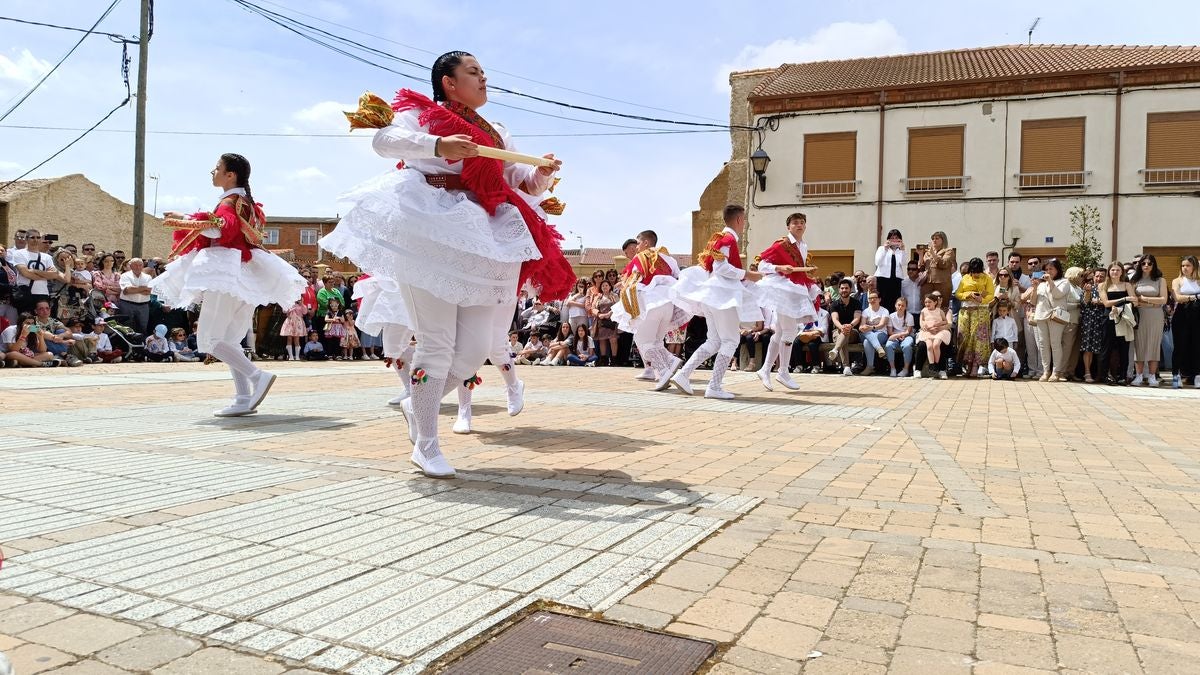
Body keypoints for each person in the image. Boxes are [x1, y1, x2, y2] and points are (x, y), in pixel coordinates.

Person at [320, 51, 570, 478]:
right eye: (474, 72)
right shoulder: (421, 114)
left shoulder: (497, 132)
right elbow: (383, 142)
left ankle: (415, 404)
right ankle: (427, 444)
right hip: (429, 224)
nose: (484, 78)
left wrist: (541, 174)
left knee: (472, 351)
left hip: (480, 230)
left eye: (484, 72)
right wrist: (437, 144)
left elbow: (516, 181)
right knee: (436, 344)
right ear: (449, 82)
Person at [153, 153, 305, 416]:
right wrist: (189, 217)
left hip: (225, 271)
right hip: (245, 273)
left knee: (209, 339)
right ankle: (243, 397)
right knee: (230, 340)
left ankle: (257, 376)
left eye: (217, 168)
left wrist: (185, 220)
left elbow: (221, 230)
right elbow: (225, 226)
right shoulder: (245, 202)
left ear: (230, 174)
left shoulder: (229, 201)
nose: (213, 172)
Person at [670, 204, 762, 398]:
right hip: (722, 296)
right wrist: (748, 274)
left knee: (714, 341)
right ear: (739, 220)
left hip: (713, 296)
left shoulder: (719, 239)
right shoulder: (727, 239)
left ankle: (683, 374)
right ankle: (714, 386)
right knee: (730, 340)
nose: (744, 223)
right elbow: (721, 268)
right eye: (743, 219)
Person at [754, 212, 820, 391]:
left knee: (781, 332)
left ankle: (766, 369)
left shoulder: (803, 246)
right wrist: (780, 267)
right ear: (789, 226)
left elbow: (799, 271)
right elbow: (761, 264)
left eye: (802, 223)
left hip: (794, 289)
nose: (799, 225)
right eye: (795, 223)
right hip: (783, 290)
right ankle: (782, 371)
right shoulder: (782, 244)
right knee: (790, 331)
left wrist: (808, 272)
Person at [612, 229, 682, 390]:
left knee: (644, 341)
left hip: (651, 303)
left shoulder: (642, 256)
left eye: (637, 243)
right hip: (668, 304)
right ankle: (665, 366)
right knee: (656, 341)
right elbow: (677, 277)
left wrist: (625, 291)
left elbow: (633, 281)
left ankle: (665, 369)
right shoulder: (669, 258)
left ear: (646, 243)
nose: (636, 247)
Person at [1026, 259, 1071, 382]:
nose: (1048, 271)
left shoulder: (1064, 282)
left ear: (1058, 270)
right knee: (1043, 344)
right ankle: (1046, 371)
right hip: (1041, 316)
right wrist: (1035, 287)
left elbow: (1057, 295)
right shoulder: (1041, 284)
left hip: (1055, 316)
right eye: (1046, 269)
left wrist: (1050, 281)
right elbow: (1034, 301)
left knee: (1055, 344)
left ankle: (1056, 371)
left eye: (1051, 269)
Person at [1131, 254, 1167, 386]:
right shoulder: (1134, 280)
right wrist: (1152, 302)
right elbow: (1134, 300)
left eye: (1149, 263)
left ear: (1154, 265)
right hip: (1139, 315)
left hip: (1155, 316)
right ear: (1139, 265)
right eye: (1143, 263)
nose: (1146, 266)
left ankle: (1152, 376)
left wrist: (1144, 299)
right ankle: (1139, 376)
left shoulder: (1160, 280)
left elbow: (1163, 299)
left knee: (1154, 344)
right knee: (1139, 345)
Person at [1099, 261, 1137, 385]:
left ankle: (1122, 376)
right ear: (1109, 272)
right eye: (1112, 270)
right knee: (1106, 348)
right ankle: (1104, 375)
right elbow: (1106, 303)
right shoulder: (1103, 285)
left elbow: (1134, 302)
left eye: (1118, 270)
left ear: (1122, 272)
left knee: (1123, 348)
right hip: (1108, 318)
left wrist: (1124, 303)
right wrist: (1124, 299)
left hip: (1123, 318)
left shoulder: (1127, 285)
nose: (1115, 272)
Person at [955, 257, 994, 378]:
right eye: (974, 271)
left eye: (978, 271)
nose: (976, 274)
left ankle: (976, 365)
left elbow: (991, 294)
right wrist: (969, 295)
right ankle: (967, 364)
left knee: (977, 338)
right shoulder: (965, 278)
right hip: (966, 312)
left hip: (980, 311)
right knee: (965, 337)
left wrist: (981, 299)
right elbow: (958, 294)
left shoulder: (987, 278)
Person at [1171, 256, 1200, 388]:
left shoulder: (1198, 281)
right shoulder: (1177, 281)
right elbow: (1177, 297)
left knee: (1196, 346)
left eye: (1188, 265)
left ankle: (1197, 375)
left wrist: (1189, 298)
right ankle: (1176, 375)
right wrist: (1195, 297)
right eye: (1183, 266)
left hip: (1197, 315)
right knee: (1179, 346)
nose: (1185, 268)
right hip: (1182, 314)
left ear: (1194, 266)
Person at [828, 278, 862, 375]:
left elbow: (857, 318)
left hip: (853, 331)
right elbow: (835, 319)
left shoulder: (856, 303)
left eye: (846, 288)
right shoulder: (834, 304)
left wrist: (850, 325)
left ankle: (836, 351)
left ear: (850, 289)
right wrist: (842, 327)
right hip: (838, 331)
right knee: (843, 335)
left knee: (845, 333)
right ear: (839, 290)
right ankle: (846, 368)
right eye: (842, 288)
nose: (844, 290)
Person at [1079, 268, 1107, 383]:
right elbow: (1084, 303)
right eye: (1097, 276)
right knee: (1088, 348)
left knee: (1104, 349)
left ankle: (1102, 374)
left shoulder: (1108, 289)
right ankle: (1087, 372)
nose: (1099, 278)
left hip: (1105, 320)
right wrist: (1088, 293)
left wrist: (1100, 302)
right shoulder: (1089, 288)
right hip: (1090, 321)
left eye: (1102, 276)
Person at [917, 293, 952, 379]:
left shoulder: (944, 310)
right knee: (925, 345)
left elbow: (947, 322)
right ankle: (921, 368)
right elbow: (921, 322)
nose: (927, 304)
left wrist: (939, 326)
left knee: (938, 345)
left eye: (930, 302)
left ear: (936, 301)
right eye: (926, 302)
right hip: (928, 332)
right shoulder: (924, 311)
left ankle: (940, 369)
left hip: (940, 331)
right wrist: (925, 327)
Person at [918, 231, 956, 309]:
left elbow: (944, 264)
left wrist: (933, 254)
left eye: (937, 238)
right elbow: (921, 268)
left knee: (942, 306)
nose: (934, 240)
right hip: (927, 283)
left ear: (943, 240)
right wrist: (920, 255)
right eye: (933, 239)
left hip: (942, 283)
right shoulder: (928, 252)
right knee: (926, 306)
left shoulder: (948, 251)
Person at [118, 258, 154, 336]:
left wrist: (135, 288)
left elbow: (150, 291)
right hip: (127, 305)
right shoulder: (125, 275)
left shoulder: (148, 277)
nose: (138, 267)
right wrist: (144, 288)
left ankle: (140, 347)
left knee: (143, 328)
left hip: (143, 306)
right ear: (130, 266)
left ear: (143, 266)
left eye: (140, 265)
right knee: (127, 327)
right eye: (135, 265)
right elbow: (127, 291)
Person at [873, 228, 906, 312]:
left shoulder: (900, 250)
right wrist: (885, 249)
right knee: (883, 299)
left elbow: (903, 263)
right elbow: (877, 262)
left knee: (895, 300)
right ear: (888, 239)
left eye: (896, 238)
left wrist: (902, 250)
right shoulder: (881, 248)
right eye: (892, 238)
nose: (894, 240)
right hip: (883, 278)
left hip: (896, 279)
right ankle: (883, 319)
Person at [858, 291, 890, 376]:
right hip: (867, 333)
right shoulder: (866, 311)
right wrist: (863, 327)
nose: (872, 300)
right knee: (868, 334)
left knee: (867, 342)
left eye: (874, 298)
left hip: (881, 333)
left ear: (879, 299)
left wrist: (871, 327)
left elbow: (882, 324)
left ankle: (870, 367)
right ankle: (879, 348)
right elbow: (862, 324)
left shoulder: (884, 311)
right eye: (870, 298)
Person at [591, 279, 620, 366]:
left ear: (610, 286)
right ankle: (604, 359)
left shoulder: (614, 296)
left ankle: (614, 359)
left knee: (613, 340)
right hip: (601, 320)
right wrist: (599, 314)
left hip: (612, 320)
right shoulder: (598, 297)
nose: (604, 287)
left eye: (606, 285)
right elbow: (593, 308)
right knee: (602, 340)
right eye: (603, 286)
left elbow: (619, 306)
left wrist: (610, 313)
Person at [885, 297, 915, 377]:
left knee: (907, 346)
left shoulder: (909, 316)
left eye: (903, 305)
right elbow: (890, 332)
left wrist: (900, 335)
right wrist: (897, 336)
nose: (900, 307)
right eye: (899, 305)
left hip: (907, 336)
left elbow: (908, 331)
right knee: (888, 346)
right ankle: (893, 368)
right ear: (895, 305)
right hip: (894, 335)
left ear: (906, 307)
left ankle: (905, 369)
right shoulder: (891, 316)